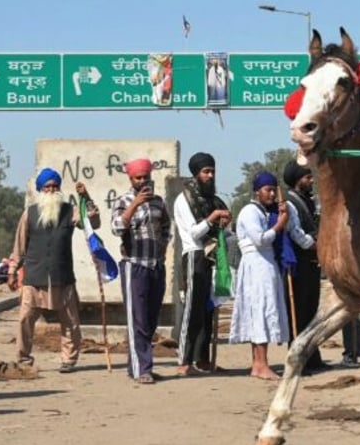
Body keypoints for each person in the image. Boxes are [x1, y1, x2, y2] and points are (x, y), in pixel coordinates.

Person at [6, 168, 100, 372]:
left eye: (54, 186)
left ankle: (68, 360)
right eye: (47, 186)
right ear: (41, 189)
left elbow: (93, 222)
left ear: (59, 188)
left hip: (62, 276)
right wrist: (13, 270)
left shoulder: (70, 211)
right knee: (25, 320)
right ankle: (23, 360)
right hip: (34, 276)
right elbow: (19, 245)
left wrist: (86, 197)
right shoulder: (29, 213)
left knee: (71, 322)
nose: (51, 189)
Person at [228, 171, 314, 380]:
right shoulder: (250, 212)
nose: (272, 195)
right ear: (257, 192)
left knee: (265, 312)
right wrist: (279, 224)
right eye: (268, 190)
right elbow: (260, 239)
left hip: (267, 265)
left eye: (274, 190)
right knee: (259, 312)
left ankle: (259, 363)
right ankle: (260, 364)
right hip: (256, 265)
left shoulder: (268, 211)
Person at [111, 158, 172, 384]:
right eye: (138, 178)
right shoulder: (123, 201)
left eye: (146, 176)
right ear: (131, 179)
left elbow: (166, 226)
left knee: (150, 319)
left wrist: (164, 246)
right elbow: (117, 228)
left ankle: (138, 365)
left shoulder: (158, 202)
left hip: (155, 265)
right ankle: (142, 369)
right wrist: (134, 204)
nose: (143, 181)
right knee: (136, 318)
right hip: (134, 265)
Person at [173, 152, 231, 376]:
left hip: (213, 258)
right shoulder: (184, 199)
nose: (210, 175)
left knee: (208, 311)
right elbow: (195, 233)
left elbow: (220, 229)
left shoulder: (212, 199)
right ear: (196, 174)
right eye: (206, 172)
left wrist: (224, 221)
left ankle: (203, 360)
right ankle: (184, 360)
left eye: (212, 171)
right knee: (192, 310)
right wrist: (213, 216)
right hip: (195, 256)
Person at [282, 160, 330, 375]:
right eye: (307, 177)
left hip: (311, 264)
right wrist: (317, 244)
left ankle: (312, 358)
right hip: (298, 265)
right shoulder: (291, 203)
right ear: (296, 180)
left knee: (311, 313)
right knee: (298, 314)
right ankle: (298, 360)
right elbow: (296, 234)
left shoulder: (308, 201)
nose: (311, 181)